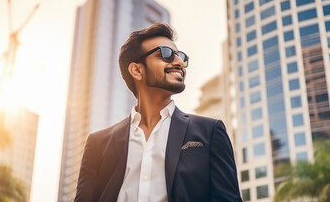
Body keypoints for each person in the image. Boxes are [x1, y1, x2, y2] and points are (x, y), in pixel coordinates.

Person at [74, 23, 242, 202]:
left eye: (181, 57)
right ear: (137, 70)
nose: (178, 62)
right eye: (166, 54)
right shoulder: (98, 143)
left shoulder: (210, 132)